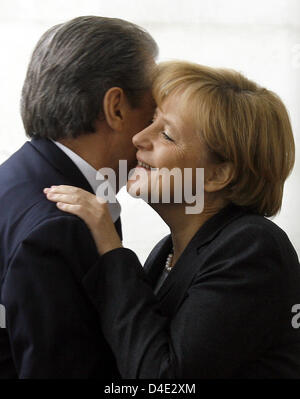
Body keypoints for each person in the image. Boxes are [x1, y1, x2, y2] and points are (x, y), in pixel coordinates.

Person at [45, 61, 300, 378]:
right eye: (151, 120)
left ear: (219, 174)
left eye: (166, 134)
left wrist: (111, 249)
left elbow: (164, 380)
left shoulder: (252, 247)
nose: (139, 137)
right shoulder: (168, 250)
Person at [0, 16, 157, 378]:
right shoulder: (59, 226)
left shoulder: (17, 178)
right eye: (155, 109)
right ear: (116, 107)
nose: (156, 128)